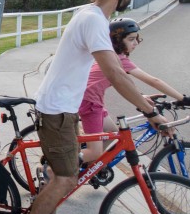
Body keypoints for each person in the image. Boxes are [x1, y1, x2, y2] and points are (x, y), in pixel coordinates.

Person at [14, 0, 171, 214]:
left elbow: (115, 73)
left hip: (65, 108)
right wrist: (150, 111)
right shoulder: (93, 19)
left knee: (67, 169)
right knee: (66, 178)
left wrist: (142, 99)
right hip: (57, 110)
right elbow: (115, 73)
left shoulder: (92, 15)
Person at [79, 18, 190, 163]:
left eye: (137, 38)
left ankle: (88, 167)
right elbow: (153, 81)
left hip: (92, 100)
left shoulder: (111, 56)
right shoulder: (119, 60)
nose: (136, 43)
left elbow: (126, 83)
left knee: (112, 134)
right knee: (95, 151)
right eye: (131, 39)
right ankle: (58, 169)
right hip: (89, 102)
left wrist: (142, 96)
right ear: (117, 41)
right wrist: (183, 98)